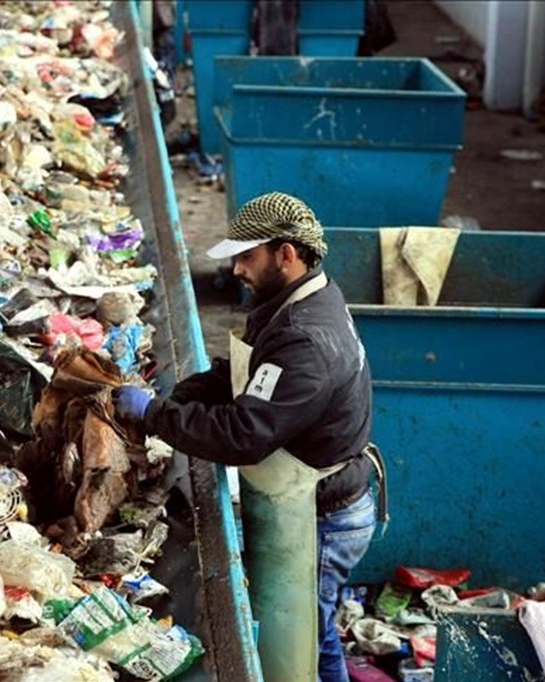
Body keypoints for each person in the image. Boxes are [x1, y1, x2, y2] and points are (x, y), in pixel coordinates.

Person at [114, 192, 385, 682]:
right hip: (313, 497)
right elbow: (239, 376)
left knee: (303, 644)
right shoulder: (298, 299)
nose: (237, 269)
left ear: (287, 253)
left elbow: (243, 435)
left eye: (247, 256)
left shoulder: (307, 338)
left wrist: (156, 415)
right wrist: (173, 397)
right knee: (315, 633)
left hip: (325, 517)